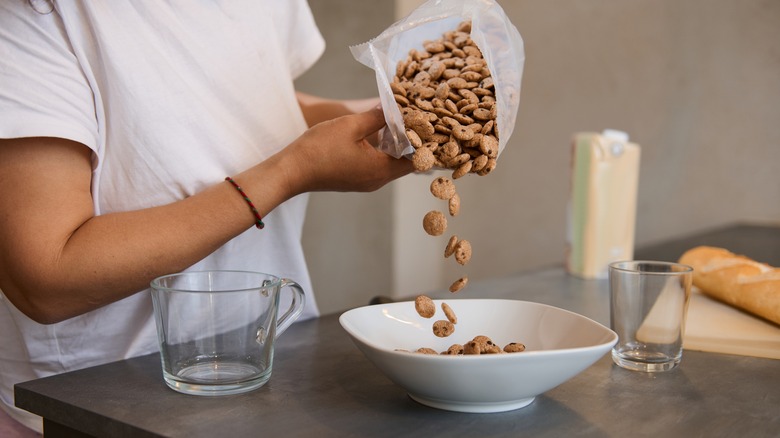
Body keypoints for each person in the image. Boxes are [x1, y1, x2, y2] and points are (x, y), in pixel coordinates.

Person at [0, 1, 413, 434]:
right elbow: (47, 279)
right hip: (103, 400)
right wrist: (293, 170)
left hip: (270, 362)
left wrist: (381, 120)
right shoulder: (32, 19)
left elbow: (239, 109)